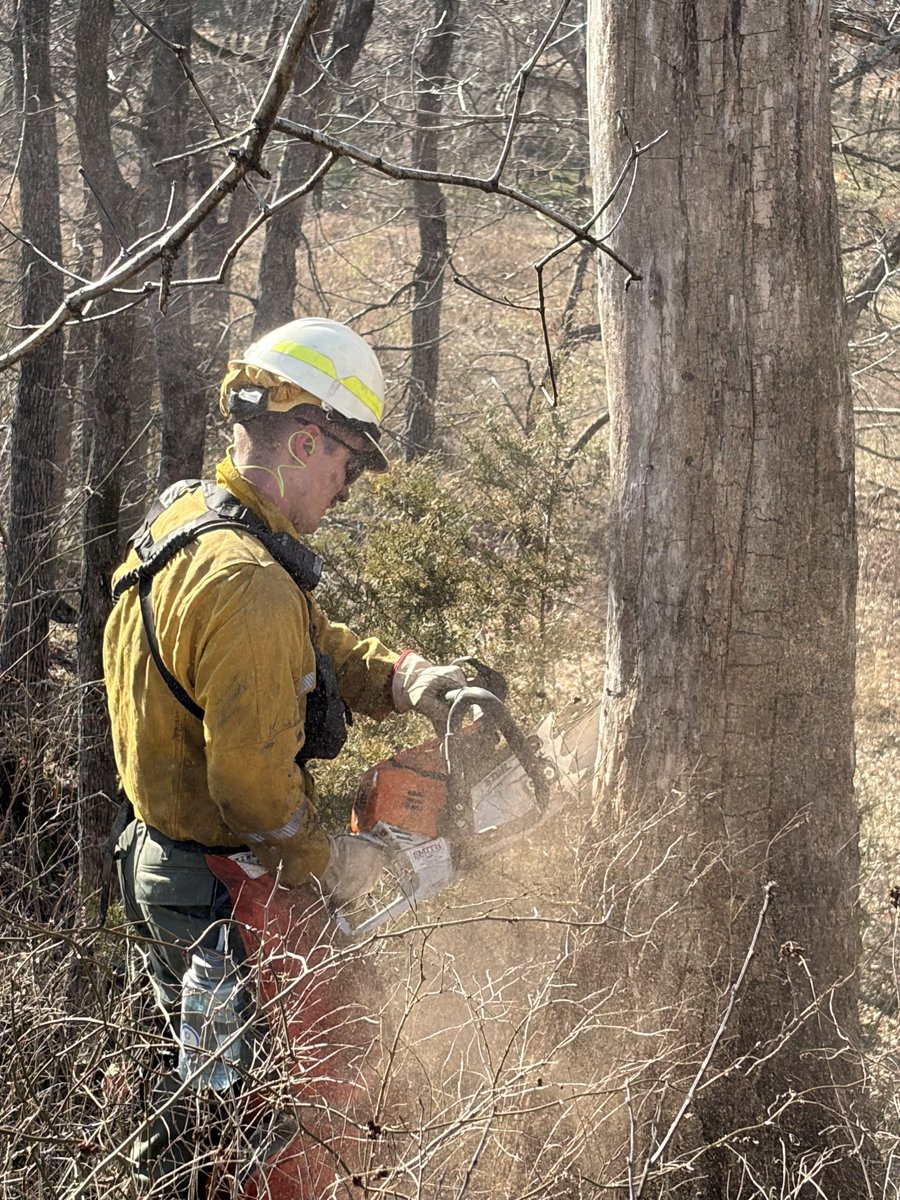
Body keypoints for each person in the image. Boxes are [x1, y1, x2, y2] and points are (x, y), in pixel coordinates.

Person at [103, 317, 466, 1198]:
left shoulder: (192, 521)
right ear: (307, 440)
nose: (347, 487)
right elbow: (256, 794)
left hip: (164, 864)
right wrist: (337, 859)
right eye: (347, 464)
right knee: (265, 1119)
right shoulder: (252, 584)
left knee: (193, 1098)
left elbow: (304, 640)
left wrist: (403, 677)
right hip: (227, 885)